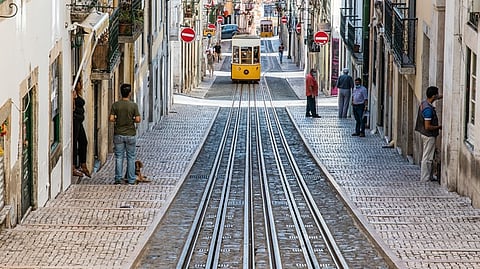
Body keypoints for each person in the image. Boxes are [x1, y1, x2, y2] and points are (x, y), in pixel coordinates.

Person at [109, 84, 141, 185]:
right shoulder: (133, 105)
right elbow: (138, 119)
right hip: (130, 134)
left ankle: (118, 178)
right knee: (130, 157)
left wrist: (117, 119)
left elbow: (111, 118)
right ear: (130, 93)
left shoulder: (116, 105)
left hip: (118, 134)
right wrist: (131, 119)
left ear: (120, 93)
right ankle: (131, 179)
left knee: (119, 157)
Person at [415, 86, 443, 182]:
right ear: (433, 96)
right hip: (429, 136)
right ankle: (425, 178)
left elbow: (437, 97)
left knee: (428, 156)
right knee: (427, 157)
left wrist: (443, 96)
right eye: (437, 94)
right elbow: (428, 126)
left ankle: (428, 176)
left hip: (425, 134)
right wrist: (439, 127)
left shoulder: (424, 103)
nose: (438, 96)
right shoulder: (428, 110)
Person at [72, 79, 91, 178]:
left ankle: (83, 164)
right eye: (80, 83)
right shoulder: (73, 93)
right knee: (74, 143)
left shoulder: (77, 94)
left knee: (83, 141)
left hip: (79, 121)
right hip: (75, 121)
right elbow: (73, 108)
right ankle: (73, 166)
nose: (82, 85)